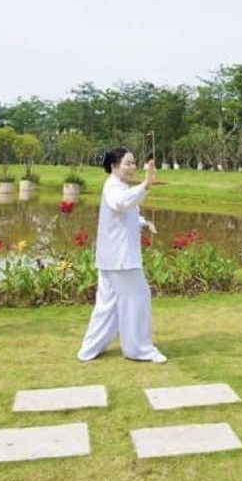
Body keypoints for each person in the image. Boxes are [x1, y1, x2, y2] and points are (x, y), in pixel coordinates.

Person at [77, 147, 167, 364]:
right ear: (114, 166)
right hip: (120, 259)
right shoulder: (113, 187)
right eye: (127, 163)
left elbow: (126, 213)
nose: (132, 167)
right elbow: (121, 202)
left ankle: (90, 348)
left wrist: (145, 222)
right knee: (137, 299)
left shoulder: (120, 187)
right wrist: (145, 184)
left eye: (134, 163)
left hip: (114, 258)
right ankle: (138, 349)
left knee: (107, 305)